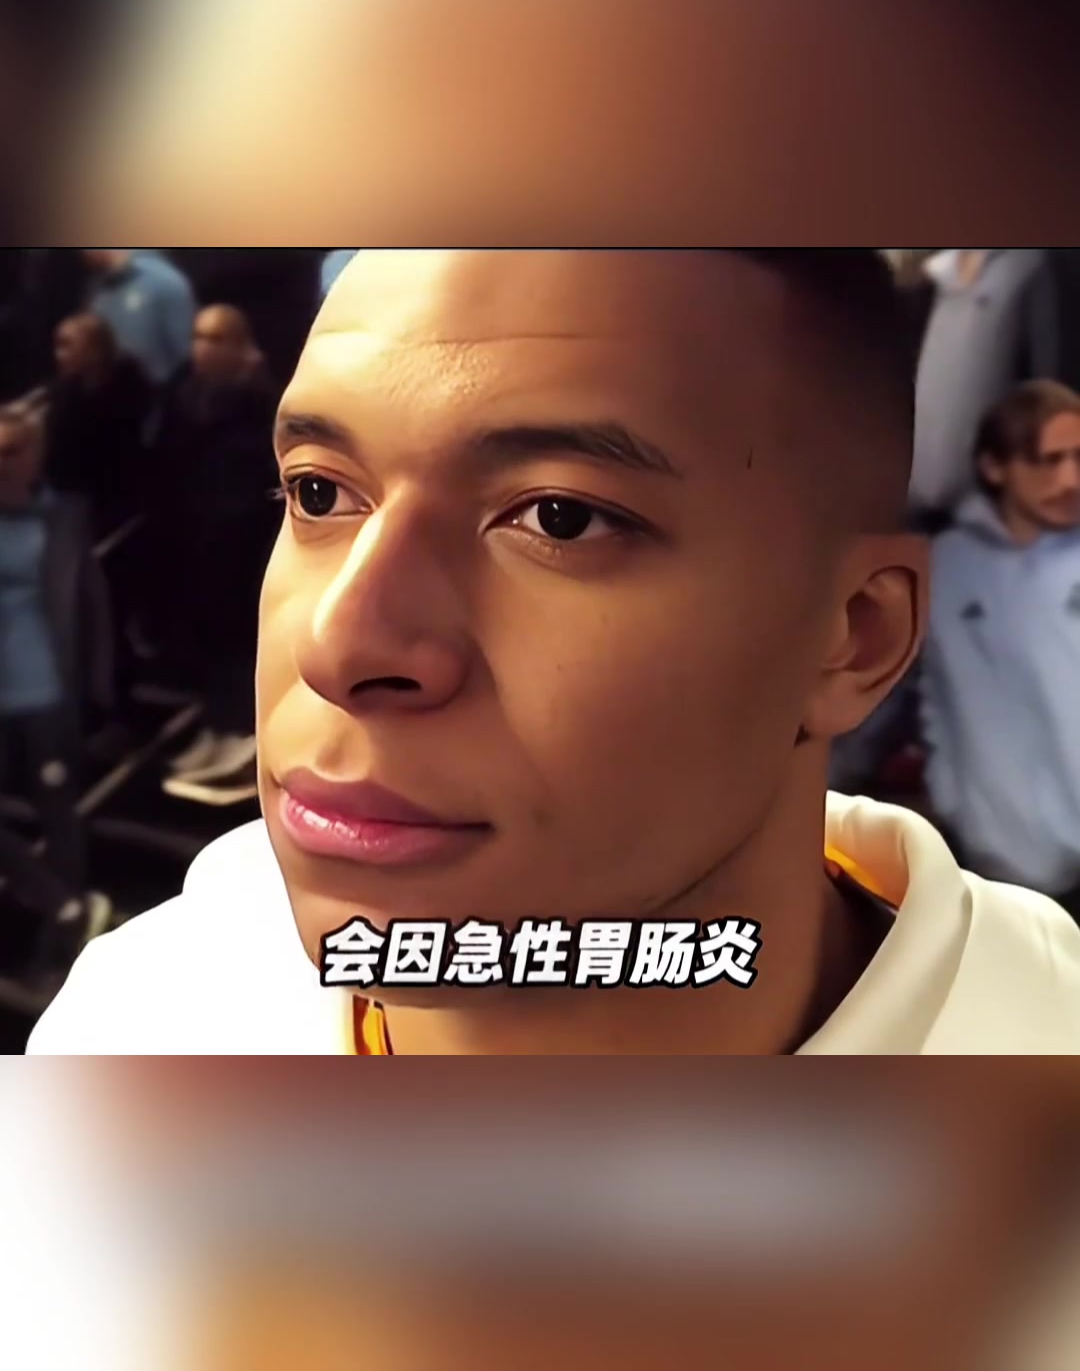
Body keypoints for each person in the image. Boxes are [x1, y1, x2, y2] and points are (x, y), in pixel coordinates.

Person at [27, 249, 1080, 1055]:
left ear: (854, 635)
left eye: (562, 518)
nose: (336, 643)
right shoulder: (141, 1019)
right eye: (318, 492)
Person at [921, 380, 1080, 912]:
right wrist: (955, 801)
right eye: (1048, 461)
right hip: (1010, 864)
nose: (1070, 479)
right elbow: (931, 698)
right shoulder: (944, 568)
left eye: (1079, 458)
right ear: (995, 467)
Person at [0, 397, 111, 986]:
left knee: (58, 811)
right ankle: (62, 905)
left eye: (13, 450)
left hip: (45, 693)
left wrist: (100, 684)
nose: (3, 462)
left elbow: (93, 605)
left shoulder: (63, 518)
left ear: (35, 455)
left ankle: (66, 934)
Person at [151, 305, 279, 806]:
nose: (203, 348)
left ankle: (240, 733)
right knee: (206, 640)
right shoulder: (186, 395)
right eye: (199, 337)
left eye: (216, 339)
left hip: (244, 543)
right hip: (197, 535)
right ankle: (215, 727)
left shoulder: (259, 401)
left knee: (237, 643)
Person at [910, 249, 1062, 521]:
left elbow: (1046, 380)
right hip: (917, 489)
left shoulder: (1028, 266)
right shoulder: (937, 272)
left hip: (985, 498)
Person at [45, 313, 153, 536]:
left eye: (67, 345)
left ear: (95, 351)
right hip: (69, 495)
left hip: (113, 498)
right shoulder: (65, 390)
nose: (58, 355)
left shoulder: (128, 393)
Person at [83, 249, 196, 392]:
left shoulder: (165, 281)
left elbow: (185, 359)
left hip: (159, 396)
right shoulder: (96, 289)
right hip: (106, 396)